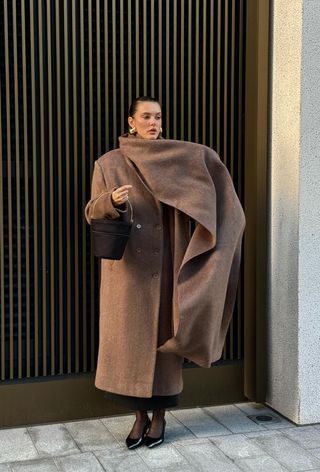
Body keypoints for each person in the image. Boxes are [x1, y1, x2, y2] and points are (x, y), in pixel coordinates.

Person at [85, 96, 245, 449]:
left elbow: (208, 192)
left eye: (158, 116)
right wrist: (111, 202)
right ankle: (138, 418)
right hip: (129, 274)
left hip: (170, 261)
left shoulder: (180, 159)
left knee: (166, 339)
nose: (153, 122)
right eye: (146, 116)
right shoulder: (108, 163)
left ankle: (160, 418)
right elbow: (91, 211)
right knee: (132, 347)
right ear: (131, 121)